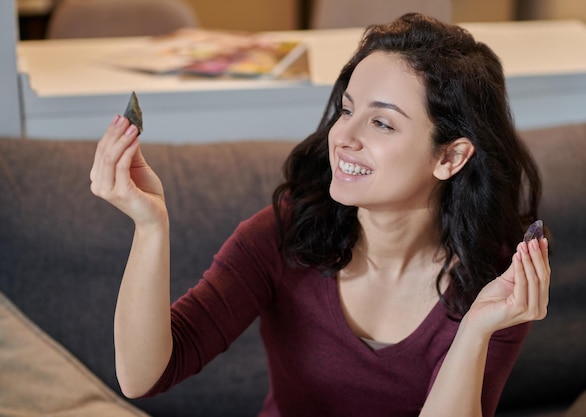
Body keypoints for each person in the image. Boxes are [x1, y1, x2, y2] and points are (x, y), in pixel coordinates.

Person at [90, 12, 550, 417]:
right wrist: (150, 227)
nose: (343, 135)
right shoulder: (281, 235)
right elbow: (143, 376)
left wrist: (474, 332)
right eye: (346, 110)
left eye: (382, 122)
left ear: (450, 157)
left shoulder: (499, 281)